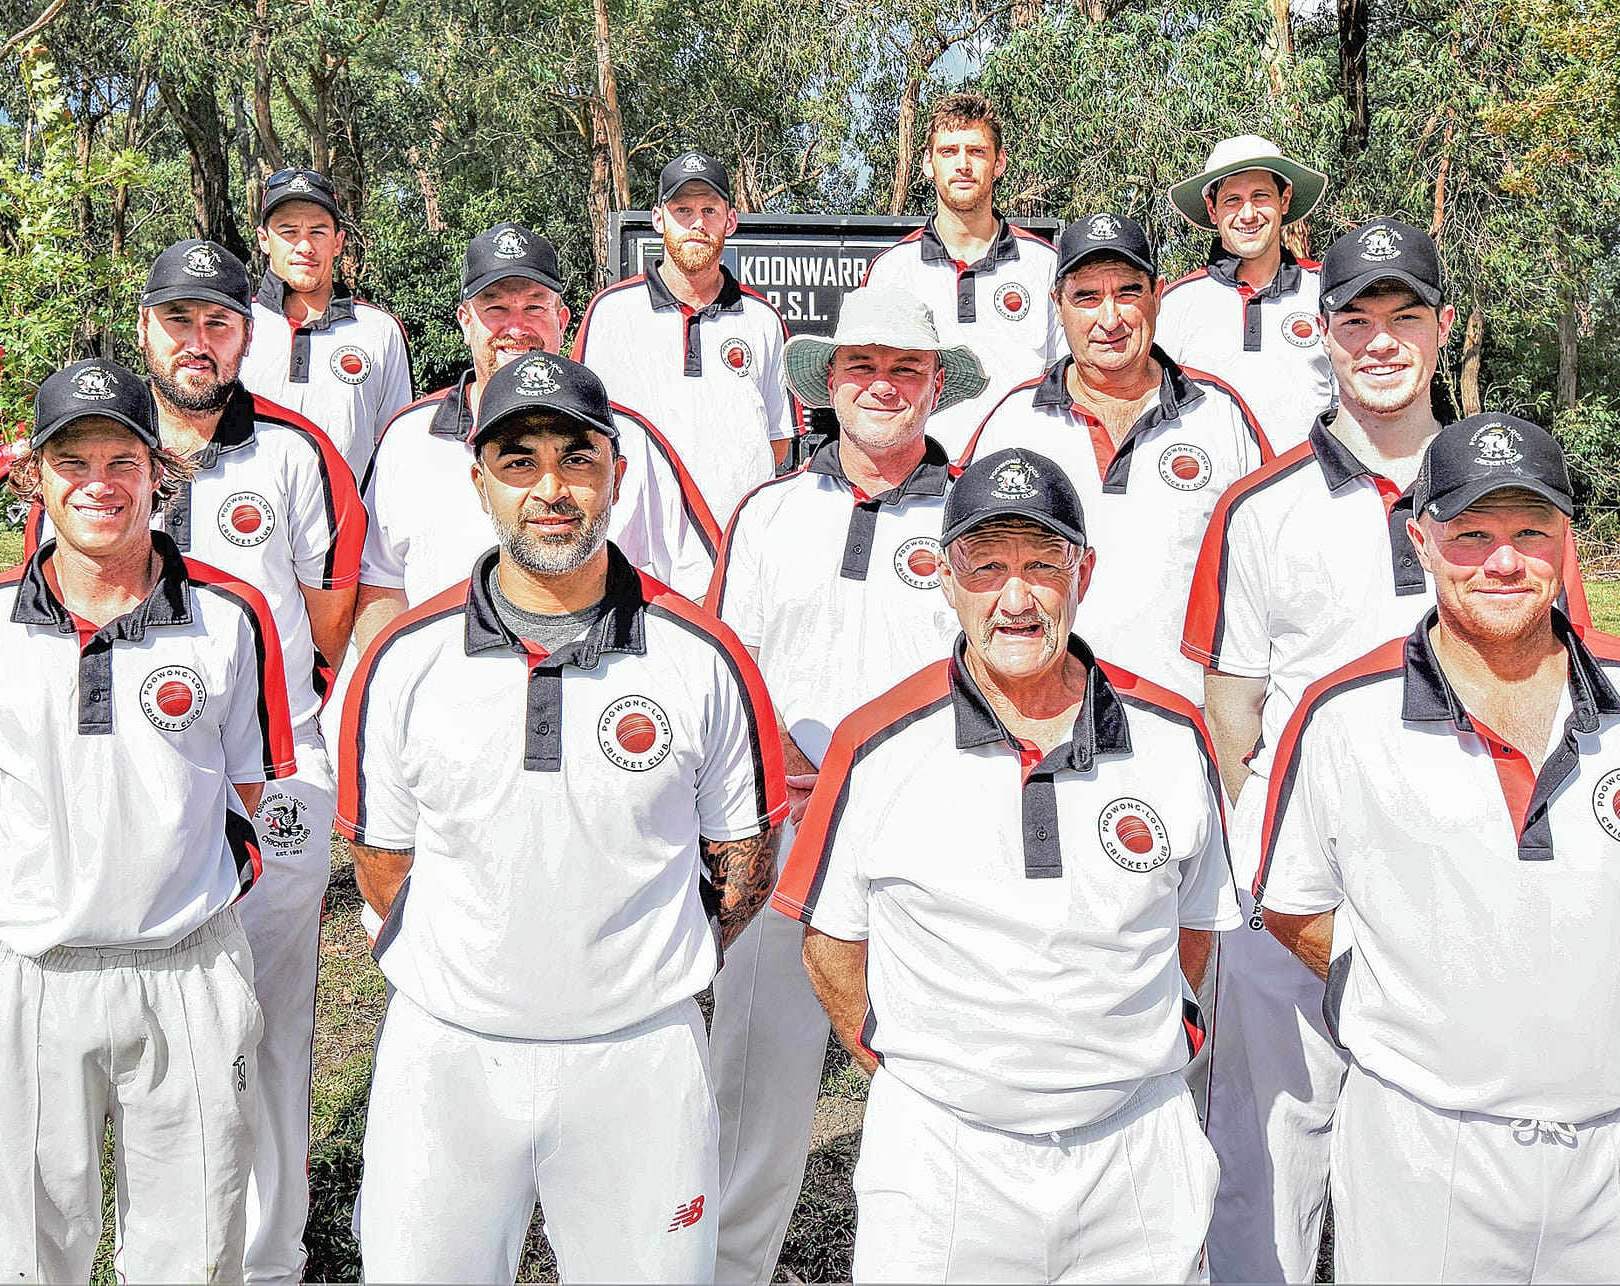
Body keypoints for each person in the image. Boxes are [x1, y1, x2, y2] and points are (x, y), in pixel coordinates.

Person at [1258, 416, 1620, 1281]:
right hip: (1420, 1147)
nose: (1504, 562)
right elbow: (1293, 907)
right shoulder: (1341, 715)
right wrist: (1422, 1004)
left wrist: (1595, 994)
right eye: (1472, 534)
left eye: (1531, 531)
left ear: (1568, 540)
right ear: (1420, 540)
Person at [1181, 217, 1592, 1284]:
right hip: (1293, 893)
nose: (1379, 341)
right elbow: (1233, 717)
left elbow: (1556, 689)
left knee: (1435, 1164)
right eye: (1354, 318)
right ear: (1320, 333)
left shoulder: (1515, 507)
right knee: (1264, 1155)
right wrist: (1271, 861)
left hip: (1466, 882)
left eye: (1404, 315)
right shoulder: (1257, 507)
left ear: (1443, 326)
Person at [338, 349, 787, 1282]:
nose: (552, 489)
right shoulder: (405, 660)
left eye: (578, 458)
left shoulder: (701, 656)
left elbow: (743, 857)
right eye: (519, 462)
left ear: (618, 475)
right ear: (480, 484)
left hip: (640, 1055)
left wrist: (634, 970)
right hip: (449, 1050)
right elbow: (382, 862)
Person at [776, 448, 1240, 1281]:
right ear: (946, 580)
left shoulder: (1173, 735)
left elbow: (1194, 926)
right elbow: (830, 945)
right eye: (985, 566)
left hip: (1137, 1148)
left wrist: (1128, 1051)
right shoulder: (875, 744)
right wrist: (919, 1067)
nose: (1016, 599)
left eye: (1042, 565)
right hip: (943, 1158)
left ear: (1084, 574)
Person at [28, 237, 367, 1283]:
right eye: (178, 319)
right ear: (145, 327)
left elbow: (329, 613)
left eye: (219, 321)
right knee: (149, 1017)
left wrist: (275, 717)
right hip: (135, 774)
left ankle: (265, 1256)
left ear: (246, 335)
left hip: (278, 768)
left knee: (266, 1020)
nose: (198, 340)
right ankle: (159, 1246)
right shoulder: (98, 457)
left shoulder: (298, 453)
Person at [0, 357, 296, 1283]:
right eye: (72, 462)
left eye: (121, 462)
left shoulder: (229, 618)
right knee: (26, 1253)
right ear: (35, 476)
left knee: (195, 1254)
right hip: (29, 971)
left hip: (185, 968)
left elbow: (245, 789)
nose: (98, 484)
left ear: (158, 472)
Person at [705, 286, 984, 1283]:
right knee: (750, 1083)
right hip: (785, 839)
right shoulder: (769, 511)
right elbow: (726, 674)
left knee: (943, 1083)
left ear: (935, 386)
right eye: (861, 365)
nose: (882, 385)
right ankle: (728, 1270)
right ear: (827, 381)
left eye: (906, 368)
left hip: (934, 839)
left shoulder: (975, 513)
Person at [356, 223, 719, 642]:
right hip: (447, 680)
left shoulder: (627, 436)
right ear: (466, 321)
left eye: (534, 307)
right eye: (495, 308)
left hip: (606, 678)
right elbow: (379, 586)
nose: (516, 328)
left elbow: (699, 583)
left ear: (561, 319)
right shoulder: (407, 439)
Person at [966, 211, 1272, 703]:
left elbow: (1272, 572)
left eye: (1128, 293)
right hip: (1044, 723)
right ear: (1057, 305)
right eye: (1087, 297)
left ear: (1157, 295)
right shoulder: (1011, 421)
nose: (1109, 320)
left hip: (1191, 720)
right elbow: (966, 574)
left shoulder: (1221, 415)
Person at [574, 151, 799, 524]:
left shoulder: (763, 320)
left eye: (710, 210)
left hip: (736, 538)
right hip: (635, 539)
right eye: (683, 210)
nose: (697, 223)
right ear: (658, 219)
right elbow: (579, 433)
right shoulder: (610, 312)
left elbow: (776, 442)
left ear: (730, 220)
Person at [862, 93, 1061, 451]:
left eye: (977, 151)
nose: (963, 164)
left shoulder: (1046, 264)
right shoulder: (891, 271)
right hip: (920, 471)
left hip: (1022, 467)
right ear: (928, 163)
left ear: (999, 162)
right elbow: (873, 387)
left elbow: (1067, 380)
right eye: (949, 151)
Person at [1160, 135, 1334, 453]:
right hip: (1214, 484)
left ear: (1284, 200)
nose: (1249, 213)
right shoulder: (1174, 305)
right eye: (1232, 200)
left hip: (1315, 481)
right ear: (1212, 209)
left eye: (1260, 196)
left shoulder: (1327, 290)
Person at [240, 168, 414, 479]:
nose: (305, 246)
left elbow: (397, 448)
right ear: (264, 240)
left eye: (318, 232)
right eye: (289, 232)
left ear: (338, 242)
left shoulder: (379, 331)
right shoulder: (233, 326)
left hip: (352, 511)